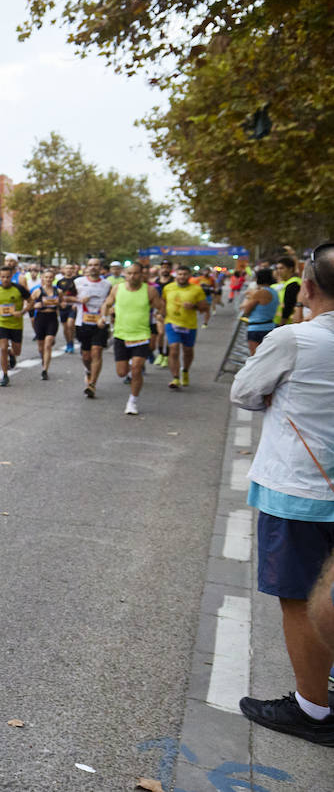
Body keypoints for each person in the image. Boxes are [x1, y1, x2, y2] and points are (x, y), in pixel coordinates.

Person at [230, 242, 334, 747]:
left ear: (307, 288)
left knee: (301, 600)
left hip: (300, 491)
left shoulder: (294, 339)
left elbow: (245, 392)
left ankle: (313, 710)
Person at [101, 262, 164, 415]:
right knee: (122, 373)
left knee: (136, 370)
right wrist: (103, 317)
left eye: (136, 273)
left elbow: (161, 307)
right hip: (121, 335)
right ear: (124, 274)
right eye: (129, 273)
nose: (132, 276)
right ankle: (129, 366)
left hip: (141, 335)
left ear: (142, 274)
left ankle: (132, 401)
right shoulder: (117, 288)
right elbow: (107, 304)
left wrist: (159, 316)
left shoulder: (150, 291)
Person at [72, 258, 112, 398]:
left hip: (99, 323)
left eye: (96, 265)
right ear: (86, 267)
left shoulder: (107, 285)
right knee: (86, 355)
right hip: (82, 323)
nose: (93, 267)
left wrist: (105, 317)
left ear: (101, 268)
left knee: (97, 351)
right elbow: (64, 298)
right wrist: (78, 300)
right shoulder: (78, 282)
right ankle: (88, 370)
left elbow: (110, 303)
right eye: (90, 265)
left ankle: (92, 385)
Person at [161, 267, 206, 390]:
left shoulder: (196, 289)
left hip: (189, 325)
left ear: (189, 275)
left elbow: (204, 308)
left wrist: (194, 306)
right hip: (171, 323)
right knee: (174, 349)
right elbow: (163, 303)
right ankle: (175, 377)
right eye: (180, 274)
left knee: (188, 351)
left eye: (185, 274)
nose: (182, 276)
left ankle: (185, 370)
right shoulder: (168, 287)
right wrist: (161, 314)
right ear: (176, 275)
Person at [0, 265, 29, 386]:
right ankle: (5, 375)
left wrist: (22, 312)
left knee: (17, 351)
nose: (5, 279)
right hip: (2, 323)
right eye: (3, 277)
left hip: (16, 325)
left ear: (12, 277)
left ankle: (12, 354)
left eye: (8, 277)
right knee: (3, 348)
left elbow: (31, 301)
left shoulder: (19, 289)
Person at [28, 267, 60, 380]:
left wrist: (61, 304)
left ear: (54, 278)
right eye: (46, 277)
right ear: (42, 278)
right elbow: (28, 304)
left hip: (52, 318)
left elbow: (63, 303)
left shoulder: (58, 291)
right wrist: (34, 306)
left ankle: (45, 369)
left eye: (51, 277)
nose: (48, 279)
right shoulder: (38, 291)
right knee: (41, 347)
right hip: (40, 319)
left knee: (48, 344)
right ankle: (43, 360)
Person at [241, 267, 279, 354]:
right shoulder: (274, 292)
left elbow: (247, 309)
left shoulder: (260, 293)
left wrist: (249, 297)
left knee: (255, 357)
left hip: (257, 329)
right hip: (270, 326)